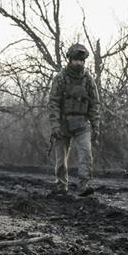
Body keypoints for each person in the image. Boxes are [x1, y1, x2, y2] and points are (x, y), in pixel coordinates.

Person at [47, 43, 100, 197]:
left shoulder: (88, 80)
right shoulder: (60, 78)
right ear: (69, 60)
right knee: (61, 159)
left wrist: (96, 126)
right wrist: (55, 125)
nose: (79, 63)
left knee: (86, 154)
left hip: (82, 123)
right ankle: (61, 185)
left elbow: (94, 104)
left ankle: (84, 185)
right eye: (76, 60)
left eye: (82, 60)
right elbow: (53, 103)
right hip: (63, 124)